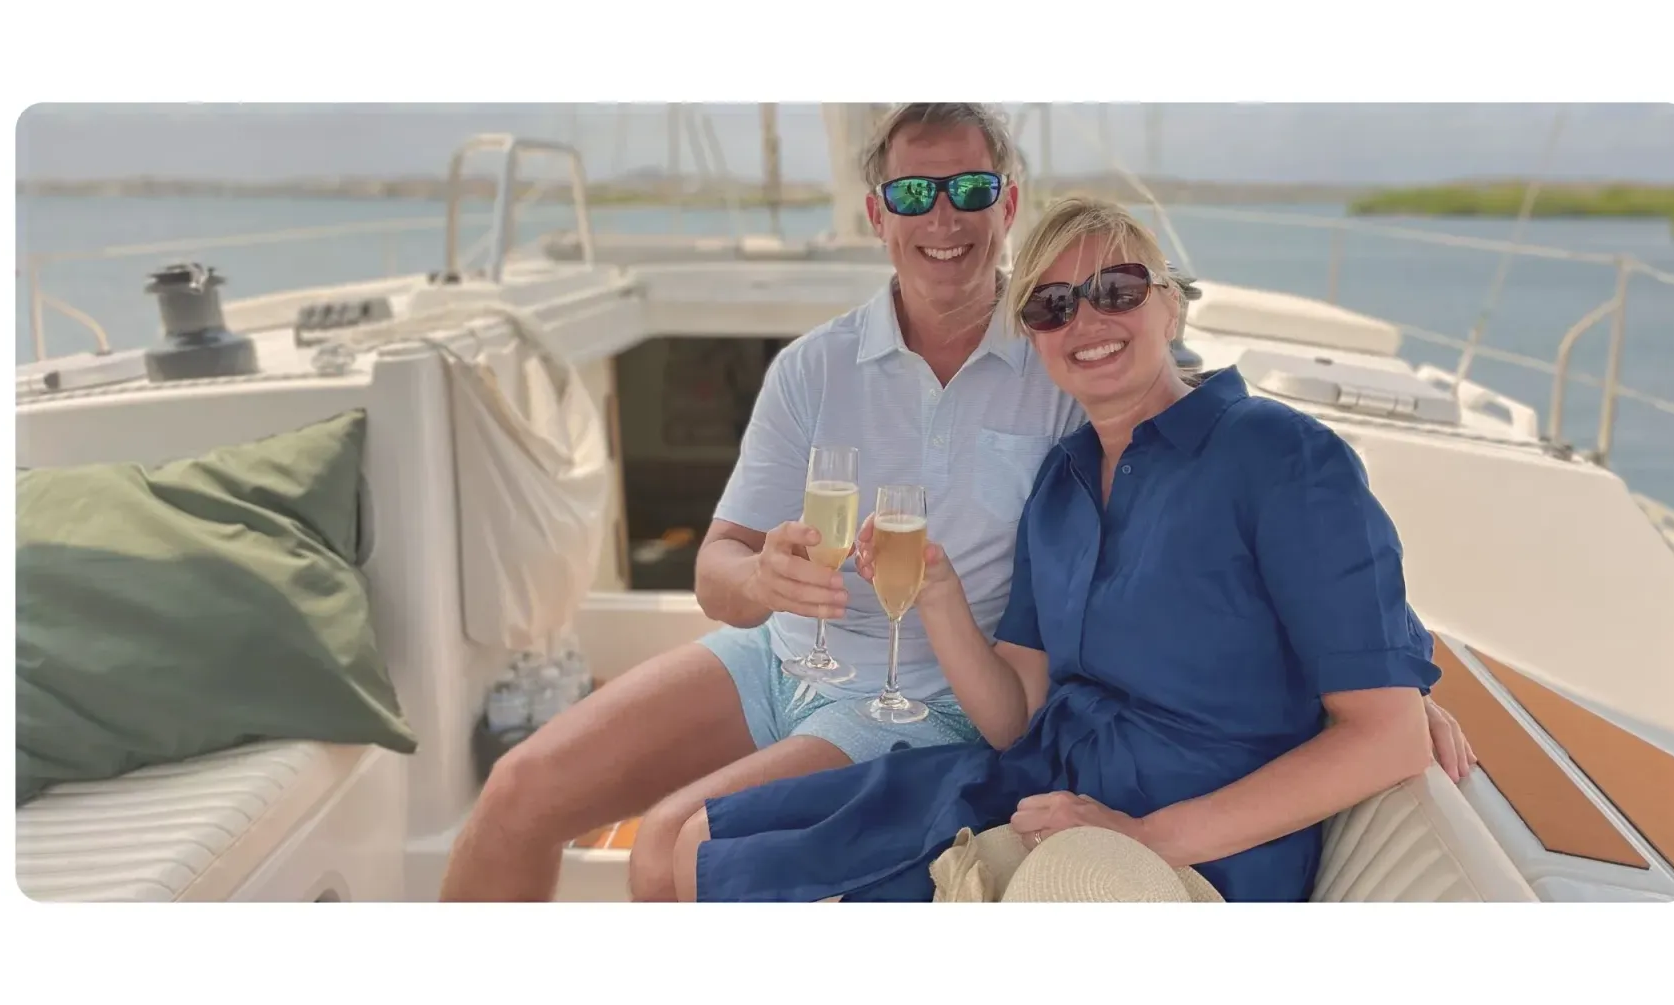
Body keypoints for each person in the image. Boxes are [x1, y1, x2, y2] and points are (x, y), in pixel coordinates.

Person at [437, 104, 1474, 903]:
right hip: (794, 655)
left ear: (1006, 208)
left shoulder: (1071, 362)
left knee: (673, 843)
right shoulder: (822, 369)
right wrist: (762, 576)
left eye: (972, 190)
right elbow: (717, 574)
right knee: (519, 793)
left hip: (934, 694)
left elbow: (1202, 428)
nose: (946, 218)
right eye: (916, 195)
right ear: (877, 214)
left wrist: (1384, 676)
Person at [671, 194, 1449, 903]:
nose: (1086, 320)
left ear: (1170, 307)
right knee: (708, 846)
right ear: (1036, 341)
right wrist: (937, 597)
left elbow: (1387, 731)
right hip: (1034, 789)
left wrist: (1145, 837)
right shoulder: (1061, 483)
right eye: (1051, 305)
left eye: (1117, 289)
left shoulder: (1279, 455)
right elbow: (1017, 714)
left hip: (1189, 854)